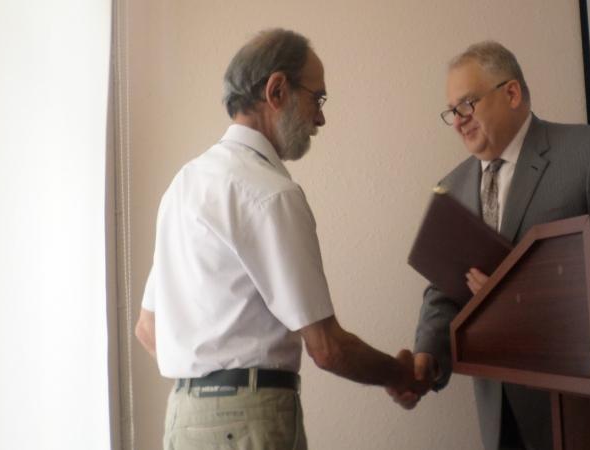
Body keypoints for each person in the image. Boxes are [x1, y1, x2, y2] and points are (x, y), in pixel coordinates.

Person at [135, 28, 426, 450]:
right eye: (317, 98)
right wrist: (400, 375)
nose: (320, 119)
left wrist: (205, 386)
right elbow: (327, 349)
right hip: (249, 422)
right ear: (276, 91)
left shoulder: (183, 185)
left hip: (183, 421)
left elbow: (148, 329)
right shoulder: (270, 193)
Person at [389, 41, 590, 450]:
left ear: (511, 93)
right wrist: (426, 360)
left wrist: (521, 299)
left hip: (580, 408)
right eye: (452, 111)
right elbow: (444, 290)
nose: (458, 121)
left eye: (467, 105)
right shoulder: (451, 188)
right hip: (498, 413)